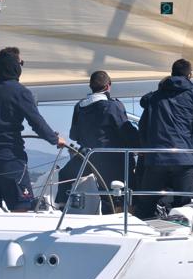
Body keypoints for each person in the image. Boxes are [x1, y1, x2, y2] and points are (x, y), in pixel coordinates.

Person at [0, 47, 66, 212]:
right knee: (22, 207)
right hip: (10, 158)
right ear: (14, 66)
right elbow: (36, 122)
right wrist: (55, 139)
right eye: (21, 63)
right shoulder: (20, 92)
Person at [135, 59, 193, 219]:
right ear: (190, 75)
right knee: (184, 207)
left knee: (145, 207)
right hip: (183, 159)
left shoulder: (154, 98)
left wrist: (145, 150)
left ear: (171, 74)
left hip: (156, 160)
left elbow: (142, 126)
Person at [55, 71, 138, 213]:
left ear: (90, 86)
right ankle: (122, 214)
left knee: (65, 174)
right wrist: (142, 144)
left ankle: (60, 207)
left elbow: (74, 135)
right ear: (108, 86)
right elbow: (126, 132)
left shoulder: (79, 106)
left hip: (87, 156)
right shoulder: (113, 106)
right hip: (111, 159)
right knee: (119, 191)